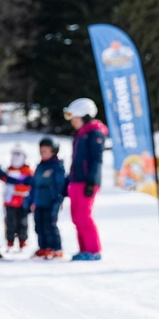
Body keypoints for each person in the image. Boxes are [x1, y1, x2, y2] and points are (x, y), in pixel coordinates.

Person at [65, 98, 107, 261]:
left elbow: (96, 160)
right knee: (76, 217)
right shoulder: (80, 135)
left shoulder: (94, 134)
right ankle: (84, 249)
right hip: (76, 181)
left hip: (86, 181)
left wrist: (92, 181)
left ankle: (93, 250)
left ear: (84, 115)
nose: (72, 121)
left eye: (74, 117)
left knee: (84, 216)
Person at [27, 137, 68, 258]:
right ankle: (43, 247)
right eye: (41, 151)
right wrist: (30, 201)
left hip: (51, 201)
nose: (43, 154)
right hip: (39, 201)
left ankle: (55, 247)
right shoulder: (40, 166)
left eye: (46, 151)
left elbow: (60, 184)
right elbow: (34, 185)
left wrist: (57, 199)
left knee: (50, 224)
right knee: (39, 225)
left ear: (53, 151)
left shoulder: (56, 166)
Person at [0, 146, 32, 253]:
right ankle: (10, 242)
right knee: (10, 223)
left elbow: (27, 185)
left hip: (22, 202)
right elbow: (3, 178)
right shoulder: (8, 171)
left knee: (22, 223)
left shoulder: (27, 171)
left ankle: (23, 242)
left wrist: (18, 187)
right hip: (9, 202)